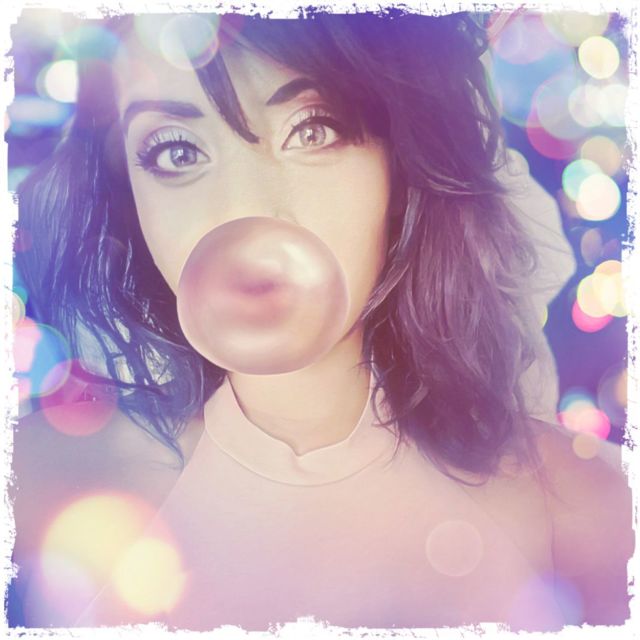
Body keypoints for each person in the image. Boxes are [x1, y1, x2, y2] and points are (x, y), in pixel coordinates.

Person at [9, 10, 633, 631]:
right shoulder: (31, 488)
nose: (246, 210)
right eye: (176, 151)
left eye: (313, 129)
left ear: (400, 165)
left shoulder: (586, 509)